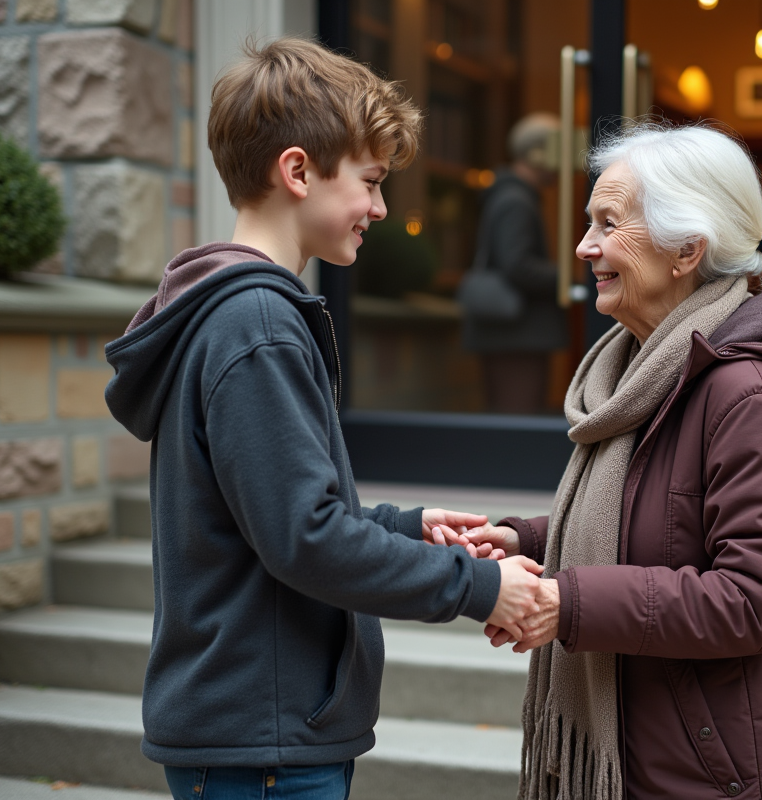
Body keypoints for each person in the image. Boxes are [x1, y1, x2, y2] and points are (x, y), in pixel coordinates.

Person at [103, 38, 537, 800]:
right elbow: (306, 540)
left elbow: (274, 518)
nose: (379, 207)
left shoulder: (233, 314)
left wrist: (407, 526)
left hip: (254, 735)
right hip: (262, 747)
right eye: (370, 182)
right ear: (297, 171)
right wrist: (478, 586)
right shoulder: (258, 324)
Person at [457, 123, 762, 799]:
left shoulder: (750, 392)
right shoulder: (642, 368)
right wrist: (528, 539)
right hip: (650, 757)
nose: (584, 247)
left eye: (608, 223)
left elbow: (759, 599)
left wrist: (567, 601)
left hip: (719, 775)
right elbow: (651, 518)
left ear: (686, 249)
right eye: (589, 223)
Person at [462, 113, 568, 414]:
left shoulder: (513, 196)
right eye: (557, 150)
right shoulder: (515, 200)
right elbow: (517, 266)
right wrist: (568, 280)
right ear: (537, 153)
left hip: (512, 334)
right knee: (515, 419)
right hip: (516, 335)